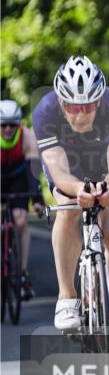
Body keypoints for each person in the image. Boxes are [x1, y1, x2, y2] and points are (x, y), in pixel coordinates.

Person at [32, 56, 109, 343]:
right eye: (73, 107)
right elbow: (59, 170)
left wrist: (108, 187)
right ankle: (67, 296)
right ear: (60, 102)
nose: (80, 115)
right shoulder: (45, 112)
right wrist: (78, 190)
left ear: (99, 101)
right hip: (70, 169)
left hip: (107, 170)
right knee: (67, 213)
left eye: (88, 107)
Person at [0, 100, 46, 299]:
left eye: (12, 124)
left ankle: (23, 274)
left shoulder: (28, 137)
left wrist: (37, 199)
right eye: (3, 125)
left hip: (19, 178)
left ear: (19, 124)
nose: (8, 129)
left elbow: (33, 173)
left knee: (20, 221)